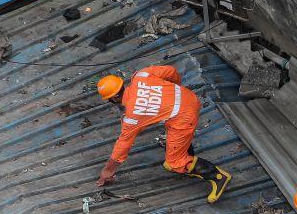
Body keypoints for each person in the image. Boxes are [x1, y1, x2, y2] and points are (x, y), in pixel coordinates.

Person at [95, 67, 233, 202]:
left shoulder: (132, 117)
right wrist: (173, 89)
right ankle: (185, 154)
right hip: (190, 98)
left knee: (173, 163)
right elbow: (171, 72)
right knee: (172, 128)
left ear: (113, 99)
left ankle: (218, 176)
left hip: (184, 118)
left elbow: (122, 145)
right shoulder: (141, 75)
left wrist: (107, 171)